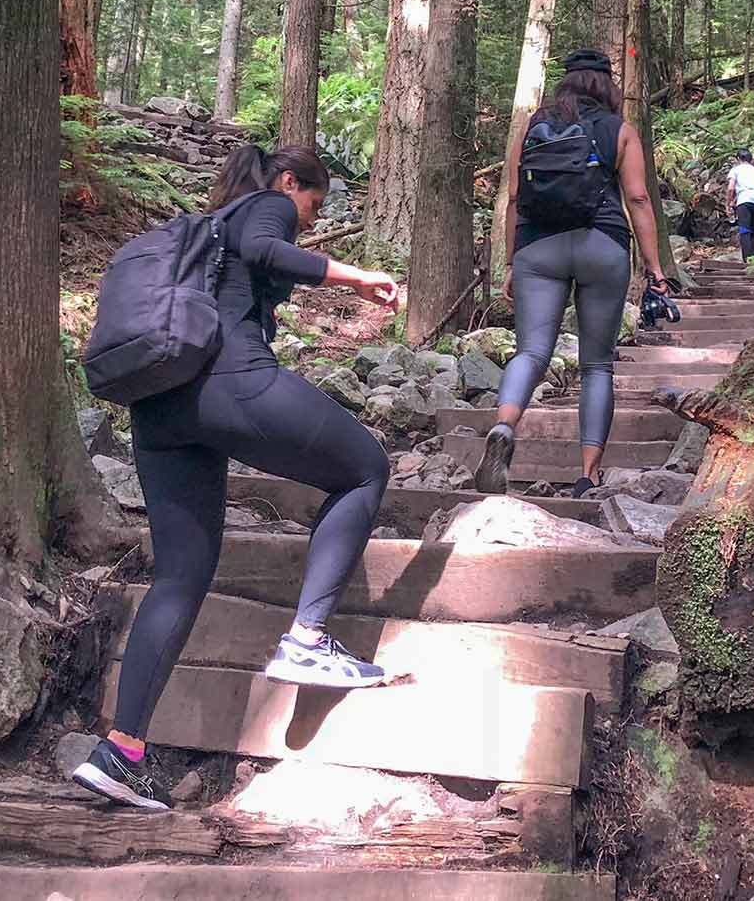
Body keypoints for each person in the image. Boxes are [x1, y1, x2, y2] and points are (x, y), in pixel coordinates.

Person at [73, 145, 401, 811]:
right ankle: (307, 640)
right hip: (230, 380)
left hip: (161, 408)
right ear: (289, 182)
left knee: (179, 575)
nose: (306, 219)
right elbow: (268, 251)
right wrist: (355, 276)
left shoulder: (208, 230)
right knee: (366, 468)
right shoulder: (266, 208)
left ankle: (120, 749)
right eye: (312, 204)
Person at [476, 48, 670, 500]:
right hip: (601, 245)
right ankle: (588, 475)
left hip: (538, 249)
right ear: (607, 87)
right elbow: (639, 200)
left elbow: (515, 197)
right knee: (597, 365)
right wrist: (656, 270)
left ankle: (504, 427)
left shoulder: (535, 125)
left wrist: (511, 260)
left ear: (566, 83)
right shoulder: (619, 130)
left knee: (530, 352)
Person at [726, 148, 754, 259]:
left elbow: (730, 188)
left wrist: (728, 203)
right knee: (753, 231)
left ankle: (746, 260)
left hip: (744, 201)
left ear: (738, 158)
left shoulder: (736, 170)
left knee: (744, 230)